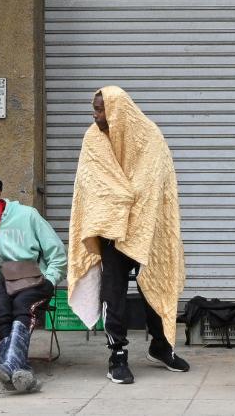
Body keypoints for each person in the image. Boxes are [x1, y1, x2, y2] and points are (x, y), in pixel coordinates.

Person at [67, 86, 188, 385]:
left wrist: (129, 201)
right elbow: (92, 183)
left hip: (149, 227)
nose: (95, 116)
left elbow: (156, 185)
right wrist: (122, 200)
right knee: (114, 291)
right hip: (111, 228)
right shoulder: (92, 139)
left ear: (117, 111)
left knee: (156, 285)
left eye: (100, 110)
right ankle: (117, 354)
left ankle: (161, 346)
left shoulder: (150, 137)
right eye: (94, 110)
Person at [0, 171, 67, 392]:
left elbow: (57, 253)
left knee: (23, 305)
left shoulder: (27, 215)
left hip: (34, 278)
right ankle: (19, 369)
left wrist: (50, 280)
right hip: (1, 280)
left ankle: (7, 363)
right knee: (0, 307)